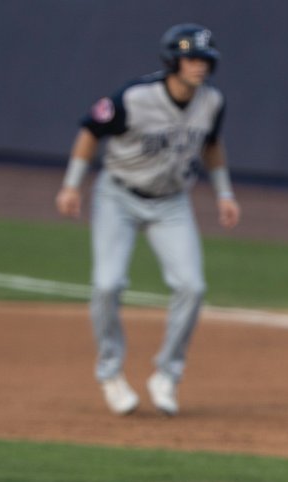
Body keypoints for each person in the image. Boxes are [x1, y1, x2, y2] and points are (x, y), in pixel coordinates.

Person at [55, 23, 241, 416]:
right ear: (173, 60)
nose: (200, 67)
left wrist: (224, 193)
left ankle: (167, 375)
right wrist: (72, 186)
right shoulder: (134, 97)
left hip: (172, 202)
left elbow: (211, 145)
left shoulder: (212, 102)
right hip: (118, 196)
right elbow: (91, 130)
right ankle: (110, 374)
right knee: (107, 285)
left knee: (191, 286)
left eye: (206, 60)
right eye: (193, 58)